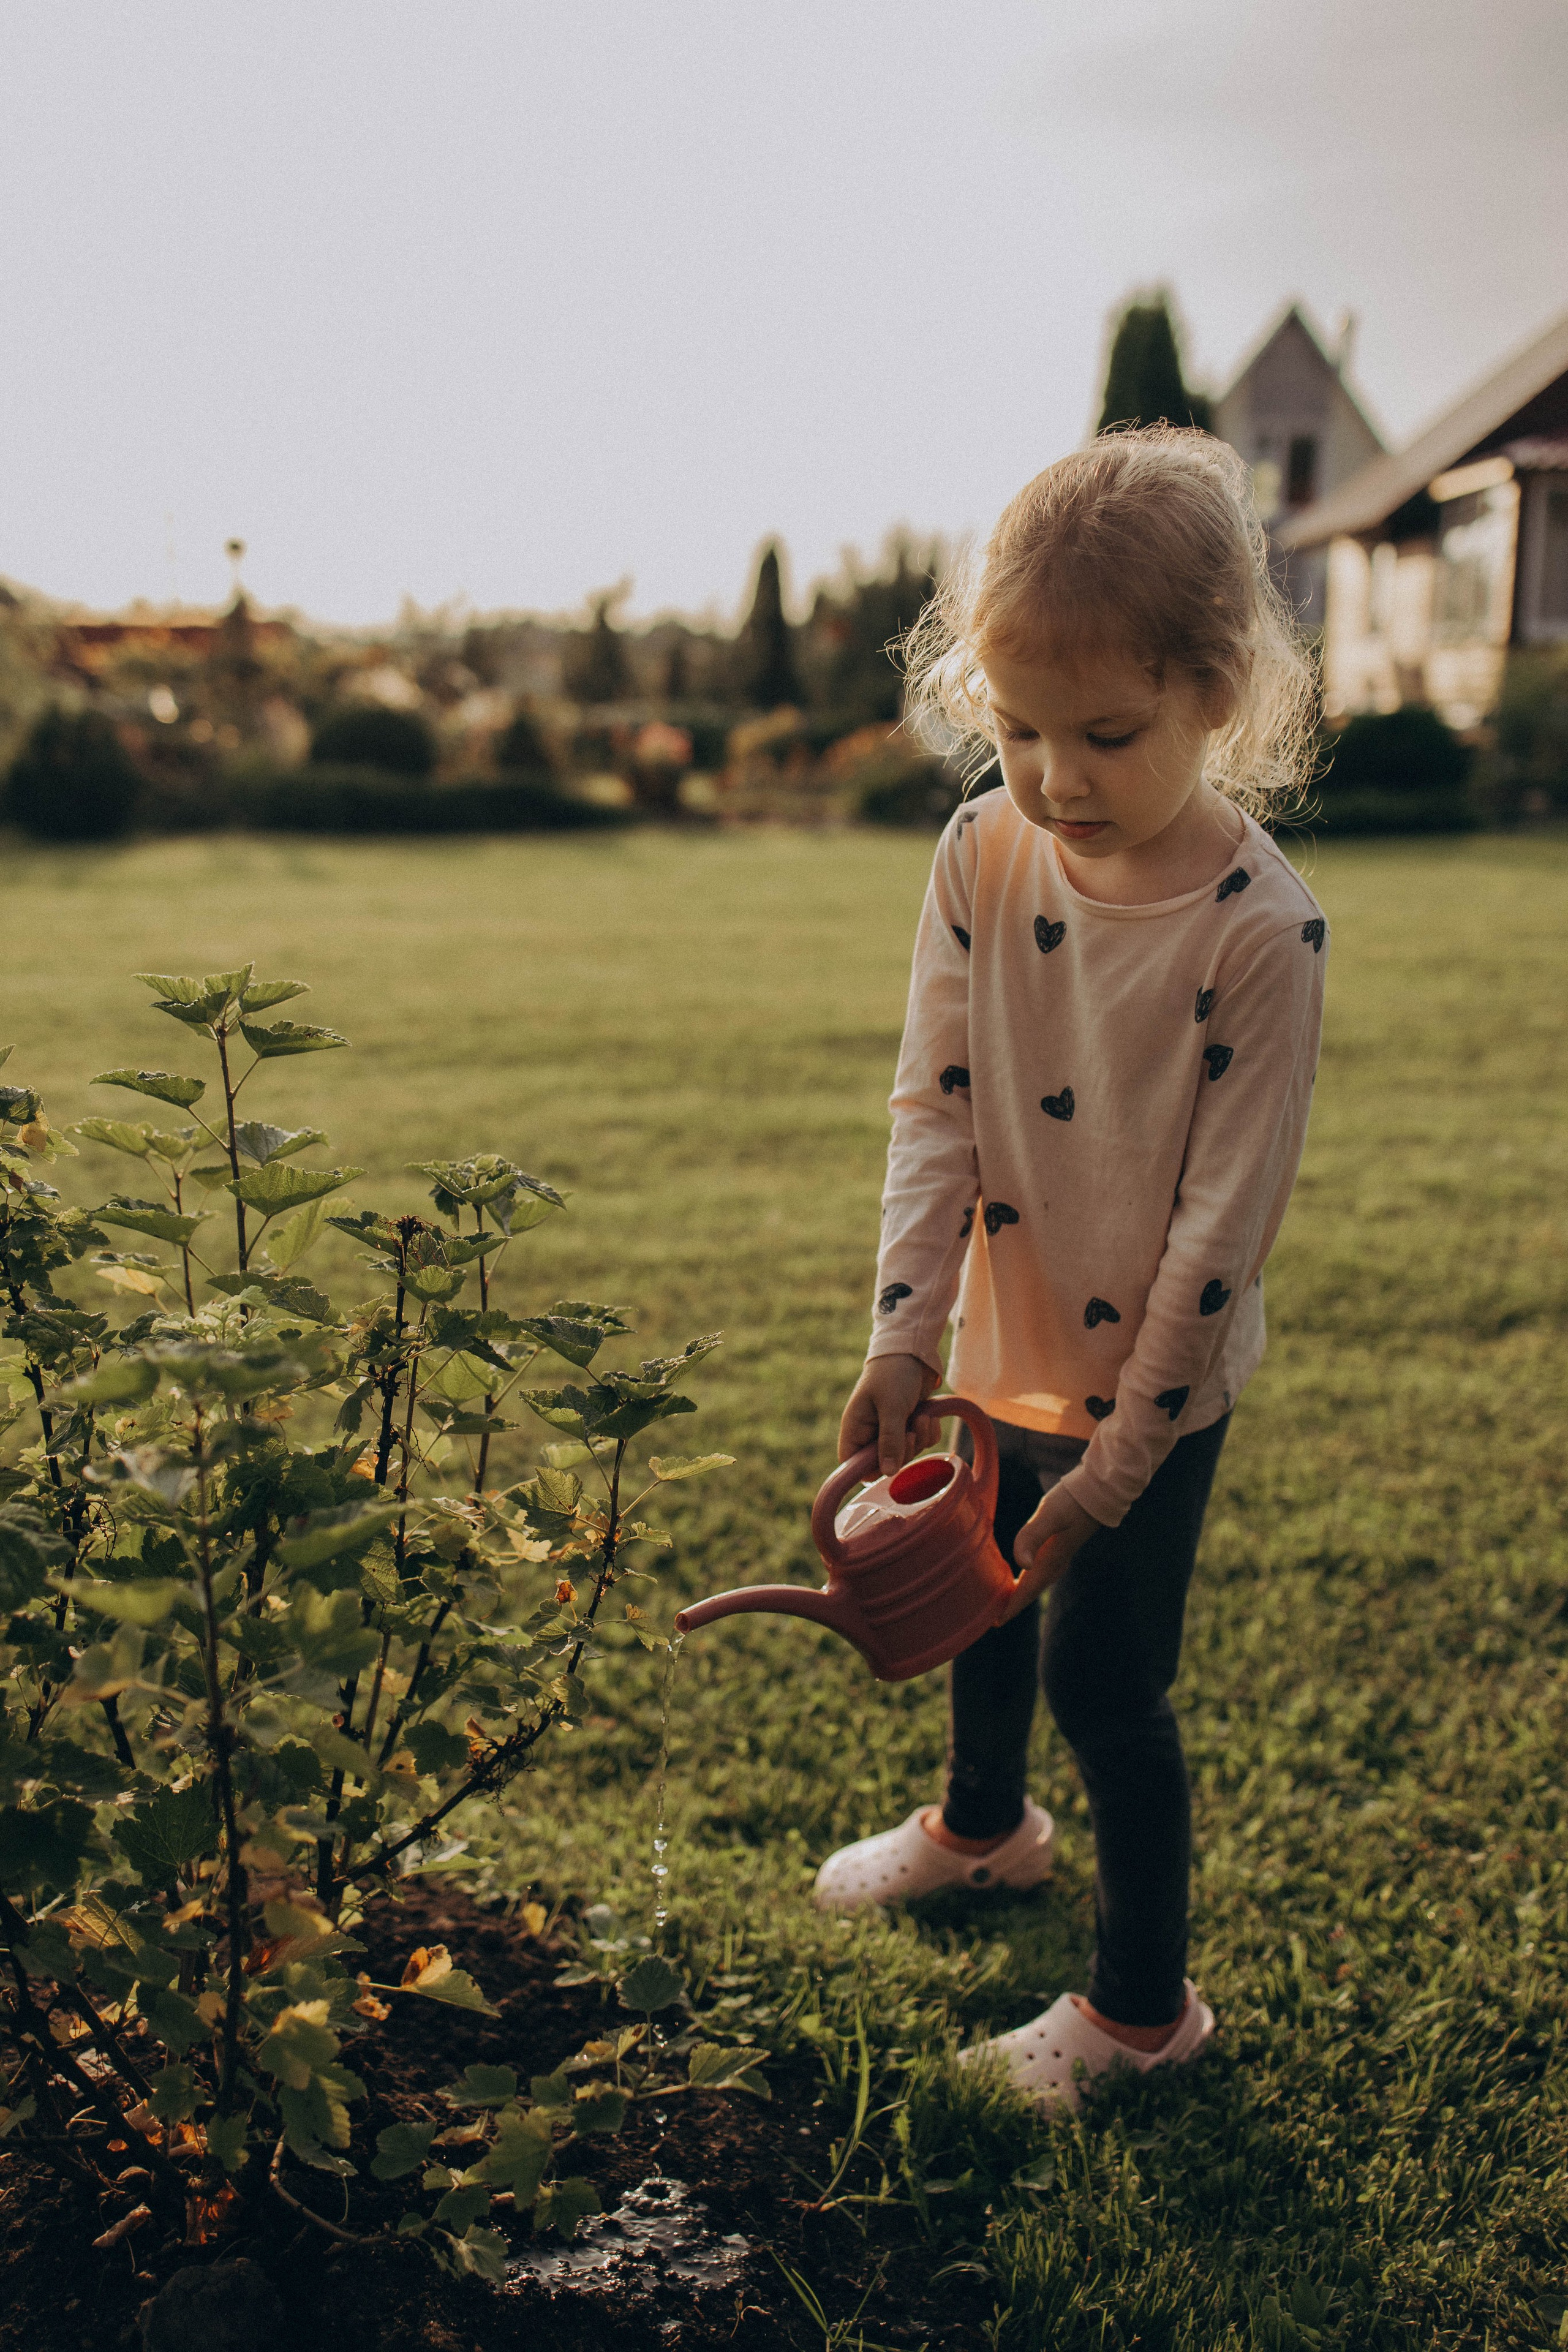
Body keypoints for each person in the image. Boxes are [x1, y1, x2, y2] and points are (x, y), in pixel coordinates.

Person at [814, 428, 1329, 2109]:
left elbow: (1219, 1231)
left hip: (1152, 1394)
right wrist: (903, 1334)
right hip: (999, 1333)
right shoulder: (981, 854)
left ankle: (1138, 2013)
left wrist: (1115, 1470)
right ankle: (983, 1832)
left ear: (1218, 690)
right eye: (1018, 729)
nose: (1053, 776)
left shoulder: (1260, 931)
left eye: (1106, 735)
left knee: (1108, 1675)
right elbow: (937, 1104)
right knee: (982, 1597)